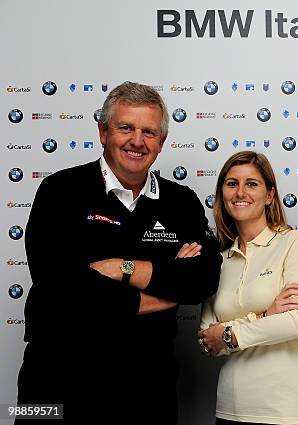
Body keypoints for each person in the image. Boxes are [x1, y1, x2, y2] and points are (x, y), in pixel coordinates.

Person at [16, 82, 221, 424]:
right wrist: (167, 292)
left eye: (149, 132)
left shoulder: (180, 201)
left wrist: (120, 268)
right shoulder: (59, 191)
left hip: (146, 391)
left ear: (162, 142)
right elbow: (61, 288)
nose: (137, 141)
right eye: (126, 127)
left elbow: (202, 278)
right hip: (55, 385)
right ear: (102, 131)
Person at [198, 151, 298, 425]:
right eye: (232, 184)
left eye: (251, 183)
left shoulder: (293, 242)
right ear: (222, 194)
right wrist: (265, 316)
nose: (240, 192)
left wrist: (228, 334)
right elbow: (208, 339)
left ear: (269, 195)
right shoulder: (218, 259)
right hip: (230, 407)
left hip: (285, 410)